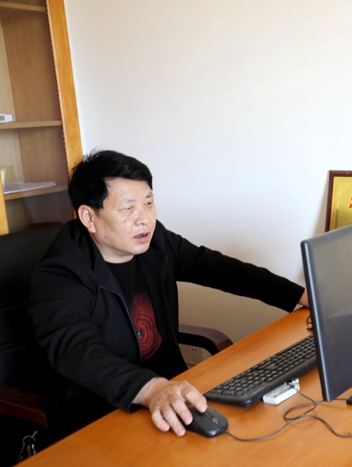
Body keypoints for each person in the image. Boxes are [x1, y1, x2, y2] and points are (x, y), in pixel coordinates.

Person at [28, 149, 308, 440]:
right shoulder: (60, 274)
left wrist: (299, 295)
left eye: (149, 203)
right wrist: (153, 389)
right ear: (88, 216)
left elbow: (216, 267)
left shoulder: (154, 242)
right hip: (100, 410)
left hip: (170, 392)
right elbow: (78, 352)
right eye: (128, 208)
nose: (145, 219)